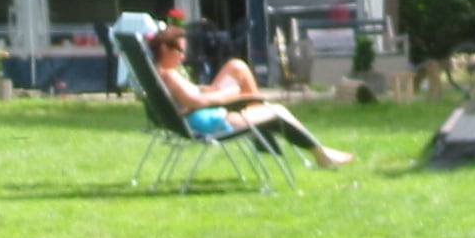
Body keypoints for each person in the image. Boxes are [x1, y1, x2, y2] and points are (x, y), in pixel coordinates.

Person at [149, 26, 355, 169]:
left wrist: (213, 92)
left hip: (206, 119)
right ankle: (321, 154)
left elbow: (191, 100)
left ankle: (318, 151)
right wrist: (230, 94)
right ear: (165, 49)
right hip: (213, 123)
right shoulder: (168, 75)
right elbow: (195, 102)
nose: (183, 56)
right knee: (278, 112)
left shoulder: (160, 74)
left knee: (237, 67)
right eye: (180, 51)